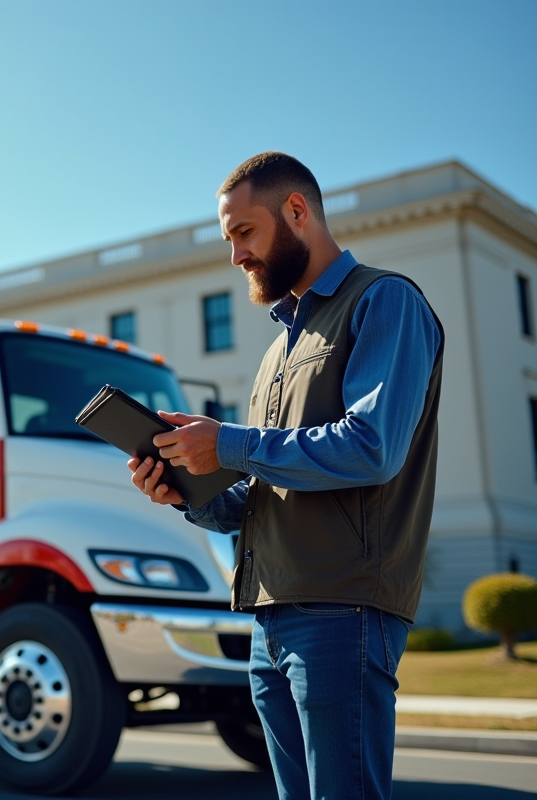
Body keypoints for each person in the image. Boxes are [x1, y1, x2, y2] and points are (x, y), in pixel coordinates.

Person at [128, 152, 443, 800]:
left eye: (244, 233)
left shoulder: (385, 302)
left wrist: (231, 442)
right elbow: (263, 496)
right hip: (268, 621)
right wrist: (189, 488)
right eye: (229, 239)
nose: (236, 256)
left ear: (297, 211)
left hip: (343, 609)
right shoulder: (277, 350)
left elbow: (371, 447)